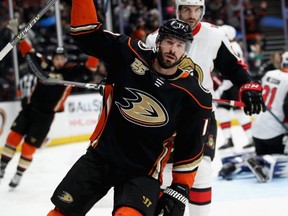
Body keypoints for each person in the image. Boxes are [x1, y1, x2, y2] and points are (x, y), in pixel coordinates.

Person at [47, 1, 213, 215]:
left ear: (186, 50)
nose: (173, 49)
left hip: (143, 170)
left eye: (180, 45)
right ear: (158, 41)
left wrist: (180, 187)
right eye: (169, 42)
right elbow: (86, 34)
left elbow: (190, 147)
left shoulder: (195, 95)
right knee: (59, 212)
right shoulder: (129, 53)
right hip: (102, 156)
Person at [145, 1, 266, 215]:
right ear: (177, 9)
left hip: (202, 115)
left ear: (202, 10)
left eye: (196, 10)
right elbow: (143, 75)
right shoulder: (156, 39)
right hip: (166, 117)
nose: (191, 15)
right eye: (186, 10)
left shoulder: (213, 35)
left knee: (202, 171)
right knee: (167, 174)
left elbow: (233, 67)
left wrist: (247, 85)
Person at [0, 19, 99, 189]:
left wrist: (97, 50)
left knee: (28, 147)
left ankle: (18, 174)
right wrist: (20, 35)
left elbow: (90, 69)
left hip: (45, 117)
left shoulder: (70, 71)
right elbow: (29, 52)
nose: (59, 61)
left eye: (62, 58)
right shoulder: (44, 64)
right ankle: (2, 167)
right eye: (57, 57)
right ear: (53, 58)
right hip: (29, 109)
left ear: (65, 59)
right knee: (12, 138)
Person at [218, 51, 288, 183]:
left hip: (257, 131)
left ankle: (240, 163)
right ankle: (264, 162)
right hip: (275, 134)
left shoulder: (269, 74)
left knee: (261, 153)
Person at [215, 25, 254, 151]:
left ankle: (251, 138)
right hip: (230, 83)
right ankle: (228, 139)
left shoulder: (233, 46)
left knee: (239, 112)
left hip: (234, 84)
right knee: (222, 111)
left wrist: (220, 89)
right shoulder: (228, 45)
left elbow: (233, 68)